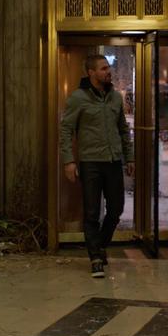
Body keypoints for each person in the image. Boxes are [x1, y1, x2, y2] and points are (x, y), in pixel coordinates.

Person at [59, 54, 135, 278]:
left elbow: (123, 130)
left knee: (116, 209)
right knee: (92, 212)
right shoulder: (77, 98)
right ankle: (95, 258)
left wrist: (129, 158)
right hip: (90, 162)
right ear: (91, 72)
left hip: (112, 161)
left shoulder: (114, 98)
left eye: (108, 68)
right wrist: (68, 161)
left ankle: (99, 244)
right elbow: (65, 131)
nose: (107, 72)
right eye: (103, 69)